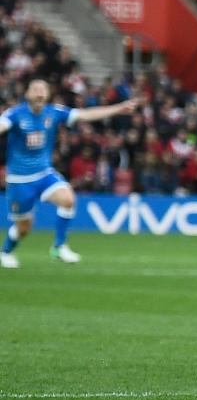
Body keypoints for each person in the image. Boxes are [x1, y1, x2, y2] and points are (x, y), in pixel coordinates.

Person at [0, 79, 137, 268]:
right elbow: (2, 124)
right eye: (35, 89)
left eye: (43, 90)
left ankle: (59, 246)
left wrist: (117, 109)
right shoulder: (16, 114)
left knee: (68, 199)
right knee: (24, 228)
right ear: (27, 94)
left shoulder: (53, 112)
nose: (39, 93)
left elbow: (85, 115)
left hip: (44, 174)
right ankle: (6, 251)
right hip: (19, 180)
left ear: (48, 94)